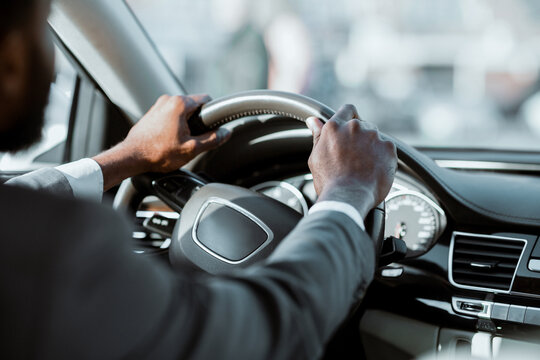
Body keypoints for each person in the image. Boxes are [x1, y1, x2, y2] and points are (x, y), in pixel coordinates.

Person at [0, 1, 397, 359]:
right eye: (44, 27)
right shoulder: (51, 256)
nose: (54, 69)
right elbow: (269, 329)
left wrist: (129, 157)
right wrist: (348, 190)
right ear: (12, 64)